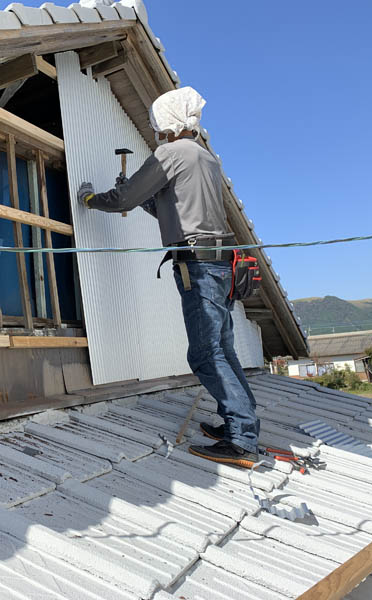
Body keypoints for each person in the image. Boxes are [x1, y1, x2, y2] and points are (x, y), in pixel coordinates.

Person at [76, 87, 260, 468]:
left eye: (157, 123)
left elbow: (126, 200)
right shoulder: (204, 158)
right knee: (221, 349)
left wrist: (94, 199)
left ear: (167, 122)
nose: (156, 130)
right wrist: (138, 195)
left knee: (206, 353)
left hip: (199, 267)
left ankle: (242, 439)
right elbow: (171, 210)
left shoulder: (172, 154)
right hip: (220, 263)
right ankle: (237, 426)